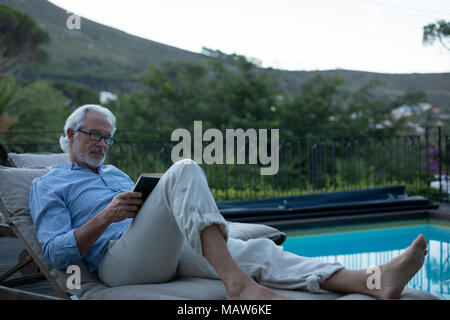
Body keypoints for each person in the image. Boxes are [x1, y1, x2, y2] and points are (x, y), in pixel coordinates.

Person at [30, 104, 428, 300]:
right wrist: (106, 216)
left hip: (157, 249)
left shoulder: (114, 175)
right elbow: (53, 252)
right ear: (70, 133)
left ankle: (373, 281)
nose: (101, 143)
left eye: (106, 137)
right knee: (184, 167)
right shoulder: (47, 185)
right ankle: (236, 283)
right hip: (118, 263)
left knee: (256, 249)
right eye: (93, 135)